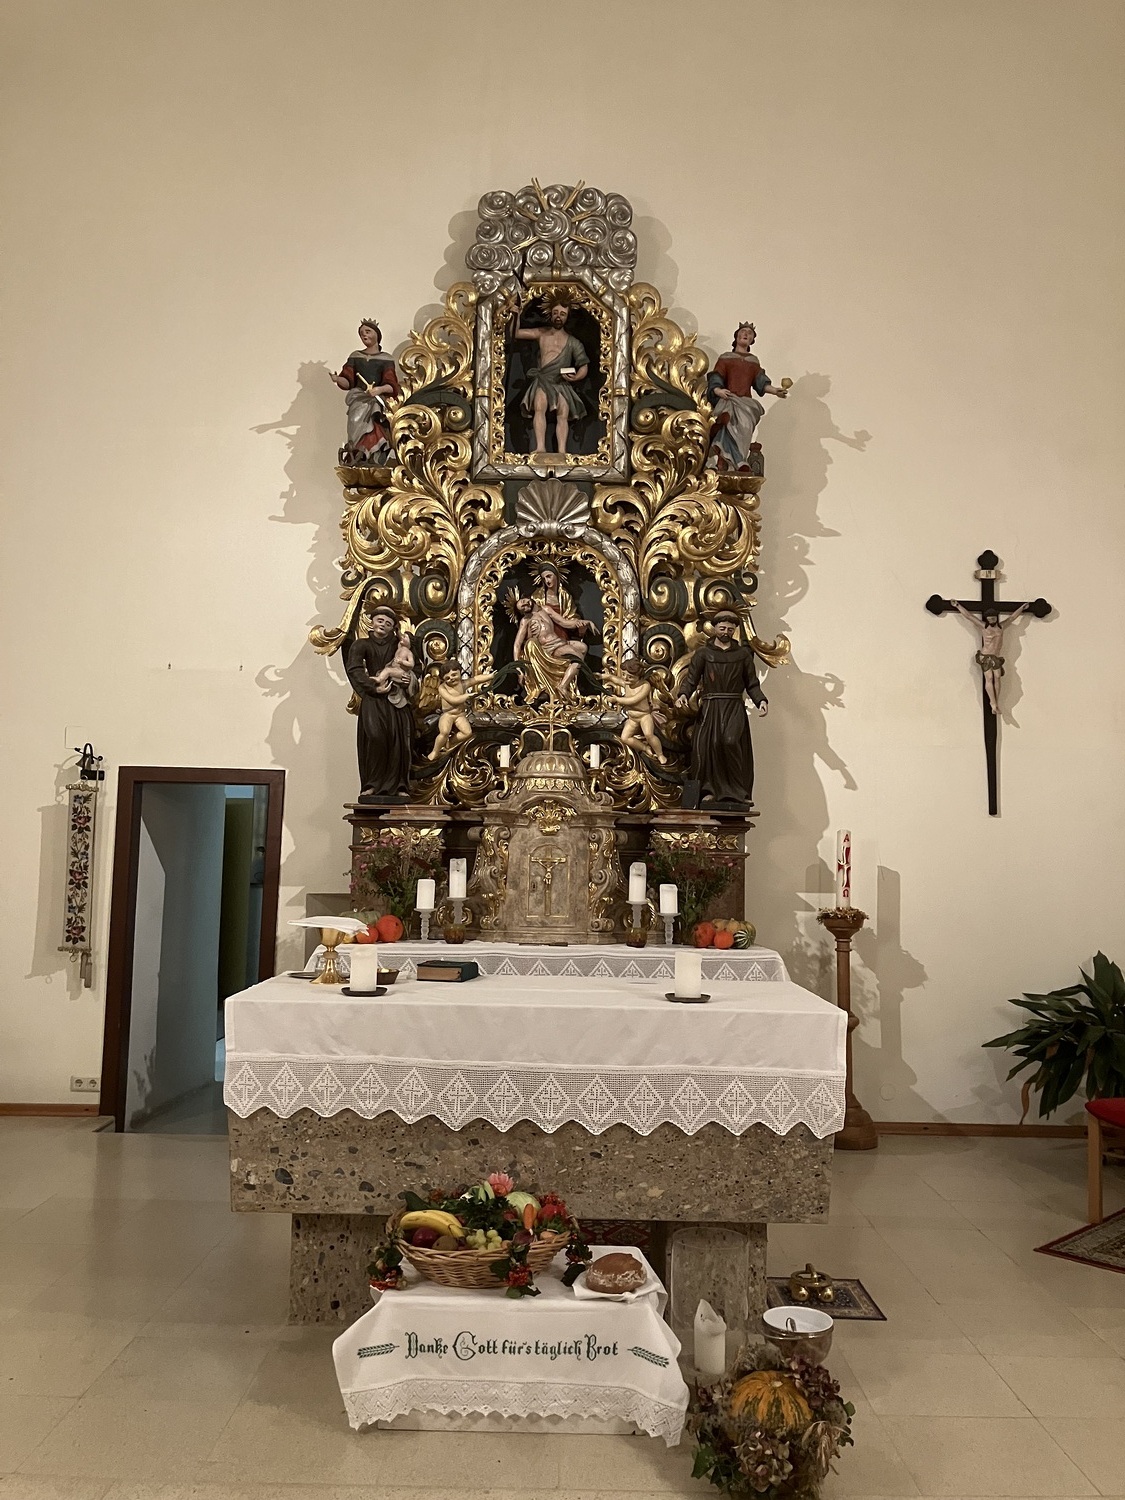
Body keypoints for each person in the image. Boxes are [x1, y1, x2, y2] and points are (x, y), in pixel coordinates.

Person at [676, 610, 768, 805]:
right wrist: (683, 694)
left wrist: (761, 701)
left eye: (730, 629)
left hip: (733, 705)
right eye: (722, 628)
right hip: (711, 706)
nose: (726, 632)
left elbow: (752, 683)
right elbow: (691, 679)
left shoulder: (742, 654)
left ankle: (738, 791)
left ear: (734, 630)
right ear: (715, 628)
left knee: (730, 741)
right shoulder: (703, 654)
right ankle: (710, 790)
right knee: (711, 746)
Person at [344, 604, 417, 800]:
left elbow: (416, 669)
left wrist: (409, 680)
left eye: (388, 623)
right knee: (375, 738)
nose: (383, 625)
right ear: (372, 621)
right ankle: (372, 784)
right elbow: (354, 670)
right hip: (374, 699)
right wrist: (372, 687)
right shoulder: (361, 645)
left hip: (397, 700)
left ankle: (400, 785)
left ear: (393, 627)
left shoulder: (400, 646)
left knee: (399, 742)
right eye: (379, 620)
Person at [510, 291, 589, 454]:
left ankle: (562, 451)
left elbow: (583, 365)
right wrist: (515, 315)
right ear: (551, 314)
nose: (558, 316)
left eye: (562, 314)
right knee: (539, 407)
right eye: (555, 313)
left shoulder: (573, 342)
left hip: (561, 381)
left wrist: (575, 377)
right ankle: (540, 447)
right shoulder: (541, 333)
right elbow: (516, 333)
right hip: (543, 379)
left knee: (563, 412)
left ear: (567, 317)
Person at [706, 322, 788, 472]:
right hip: (729, 399)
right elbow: (717, 376)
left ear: (752, 340)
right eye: (743, 331)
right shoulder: (726, 358)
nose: (746, 334)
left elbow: (760, 381)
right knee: (727, 428)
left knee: (744, 430)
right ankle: (733, 463)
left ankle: (739, 460)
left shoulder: (753, 361)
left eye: (750, 333)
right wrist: (717, 390)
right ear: (736, 336)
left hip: (746, 404)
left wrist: (775, 391)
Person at [329, 318, 400, 462]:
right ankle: (356, 454)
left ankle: (371, 456)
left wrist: (379, 390)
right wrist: (338, 379)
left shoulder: (386, 358)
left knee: (375, 425)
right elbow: (348, 381)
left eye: (368, 332)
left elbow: (392, 385)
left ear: (377, 335)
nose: (364, 335)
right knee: (354, 424)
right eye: (361, 333)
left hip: (376, 401)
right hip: (358, 399)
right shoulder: (356, 356)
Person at [950, 601, 1030, 715]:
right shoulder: (984, 626)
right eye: (989, 618)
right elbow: (969, 616)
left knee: (997, 677)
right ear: (987, 619)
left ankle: (996, 701)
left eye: (993, 618)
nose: (991, 620)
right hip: (985, 656)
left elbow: (1012, 617)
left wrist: (1022, 608)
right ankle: (992, 703)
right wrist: (958, 606)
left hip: (996, 657)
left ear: (996, 618)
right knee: (989, 677)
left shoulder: (1001, 626)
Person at [510, 592, 592, 702]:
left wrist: (583, 622)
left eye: (524, 601)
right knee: (578, 657)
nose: (526, 605)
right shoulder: (525, 620)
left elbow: (564, 622)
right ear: (522, 612)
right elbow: (517, 644)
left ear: (527, 597)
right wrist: (518, 668)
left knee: (583, 647)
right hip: (548, 648)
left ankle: (568, 679)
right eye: (522, 607)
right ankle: (563, 686)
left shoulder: (546, 609)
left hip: (558, 642)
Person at [603, 658, 667, 762]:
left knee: (649, 735)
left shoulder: (645, 686)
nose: (625, 678)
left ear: (639, 677)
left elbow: (633, 700)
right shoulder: (627, 683)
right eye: (624, 674)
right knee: (625, 738)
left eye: (630, 677)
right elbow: (615, 679)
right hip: (632, 718)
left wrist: (617, 699)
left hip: (644, 716)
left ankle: (660, 754)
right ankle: (645, 748)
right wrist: (604, 676)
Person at [427, 665, 494, 759]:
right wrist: (466, 696)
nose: (451, 678)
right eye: (447, 678)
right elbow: (453, 700)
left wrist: (490, 676)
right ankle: (435, 751)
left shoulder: (463, 684)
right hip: (448, 714)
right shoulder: (443, 688)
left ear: (459, 672)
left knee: (467, 732)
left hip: (460, 715)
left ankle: (450, 743)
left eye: (454, 675)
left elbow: (476, 679)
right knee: (444, 732)